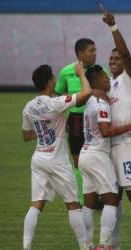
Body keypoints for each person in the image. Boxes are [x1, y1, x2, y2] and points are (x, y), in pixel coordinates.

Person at [22, 63, 91, 250]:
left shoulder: (29, 107)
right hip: (57, 161)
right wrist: (80, 73)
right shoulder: (56, 103)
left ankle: (26, 246)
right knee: (73, 205)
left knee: (36, 204)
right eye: (53, 77)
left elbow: (27, 136)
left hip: (38, 159)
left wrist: (45, 129)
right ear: (50, 81)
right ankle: (85, 247)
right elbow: (86, 93)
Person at [78, 65, 131, 250]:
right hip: (98, 156)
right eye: (104, 77)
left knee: (89, 203)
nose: (108, 80)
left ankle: (87, 246)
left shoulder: (89, 101)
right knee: (111, 199)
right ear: (97, 80)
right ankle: (104, 244)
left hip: (85, 154)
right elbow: (106, 131)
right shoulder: (101, 104)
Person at [101, 7, 131, 250]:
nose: (113, 61)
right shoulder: (109, 85)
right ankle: (113, 244)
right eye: (111, 59)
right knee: (113, 196)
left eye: (117, 58)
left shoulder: (130, 77)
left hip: (128, 144)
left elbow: (126, 54)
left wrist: (113, 27)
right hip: (110, 145)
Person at [55, 38, 96, 206]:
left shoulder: (99, 71)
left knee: (95, 159)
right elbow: (58, 95)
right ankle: (81, 198)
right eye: (91, 51)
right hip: (76, 120)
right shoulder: (66, 72)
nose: (95, 54)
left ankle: (97, 196)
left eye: (95, 50)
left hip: (94, 119)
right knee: (78, 161)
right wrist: (60, 119)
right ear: (80, 54)